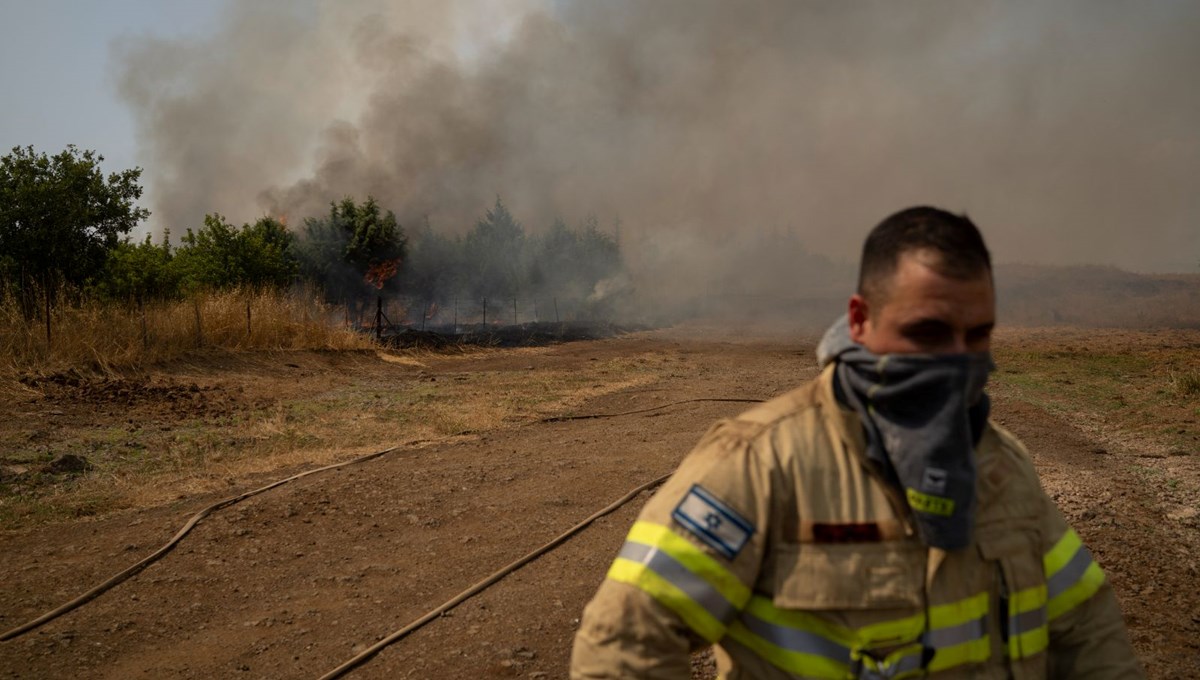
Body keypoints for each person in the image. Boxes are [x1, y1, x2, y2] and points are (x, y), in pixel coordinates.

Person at [570, 207, 1142, 679]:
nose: (959, 361)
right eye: (929, 333)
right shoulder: (759, 464)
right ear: (860, 320)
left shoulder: (1003, 465)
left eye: (979, 335)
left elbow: (1088, 632)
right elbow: (619, 647)